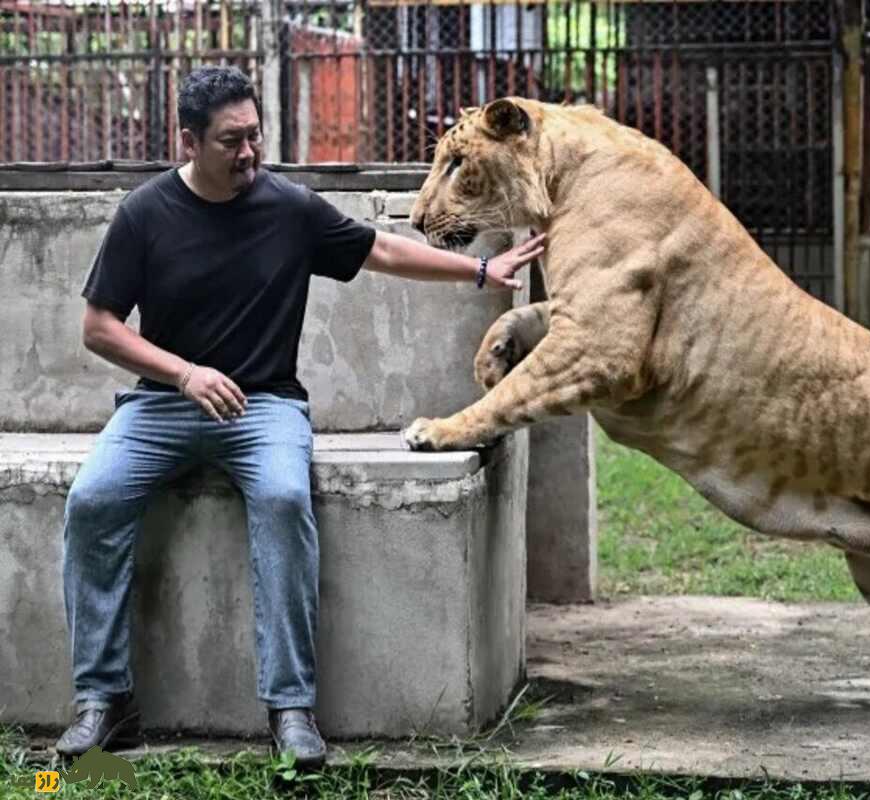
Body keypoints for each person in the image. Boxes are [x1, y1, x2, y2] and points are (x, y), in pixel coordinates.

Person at [55, 65, 544, 767]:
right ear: (187, 142)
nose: (249, 152)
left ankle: (290, 708)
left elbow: (378, 248)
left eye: (254, 135)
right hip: (162, 403)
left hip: (265, 407)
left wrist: (479, 272)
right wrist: (184, 374)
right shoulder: (145, 214)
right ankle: (104, 702)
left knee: (284, 499)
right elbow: (98, 328)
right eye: (230, 141)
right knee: (92, 500)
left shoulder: (288, 207)